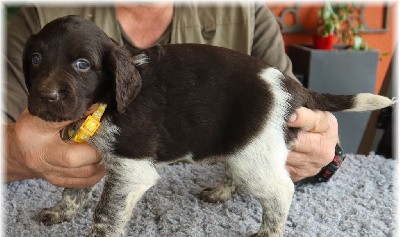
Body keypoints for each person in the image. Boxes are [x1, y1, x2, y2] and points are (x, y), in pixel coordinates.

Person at [4, 3, 339, 188]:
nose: (47, 84)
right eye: (38, 62)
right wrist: (17, 154)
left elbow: (301, 117)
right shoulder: (39, 15)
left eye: (81, 63)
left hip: (204, 191)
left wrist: (323, 154)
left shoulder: (246, 13)